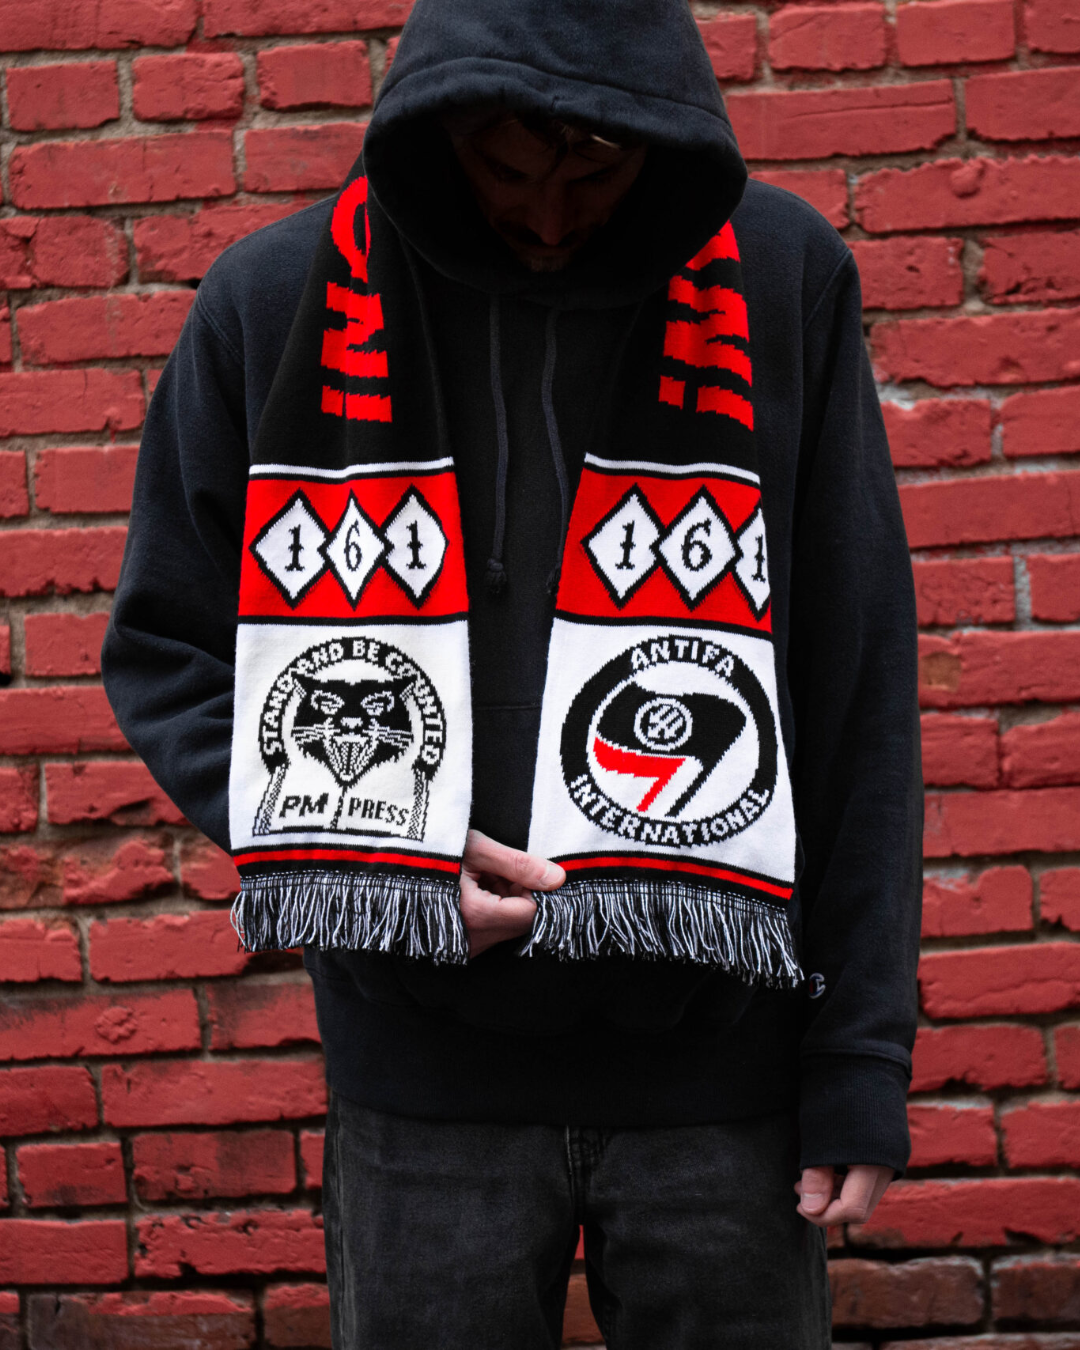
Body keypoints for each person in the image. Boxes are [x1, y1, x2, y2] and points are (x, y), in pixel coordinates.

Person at [102, 0, 922, 1345]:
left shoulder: (783, 281)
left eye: (596, 171)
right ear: (438, 127)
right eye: (505, 168)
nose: (548, 217)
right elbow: (164, 646)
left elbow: (855, 680)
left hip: (725, 1081)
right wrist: (381, 856)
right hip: (420, 1085)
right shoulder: (273, 301)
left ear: (663, 137)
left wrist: (861, 1055)